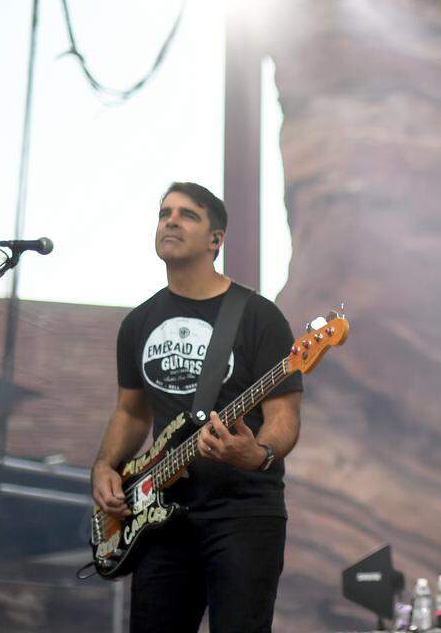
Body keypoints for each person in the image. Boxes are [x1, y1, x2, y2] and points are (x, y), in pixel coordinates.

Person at [91, 181, 303, 633]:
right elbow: (132, 412)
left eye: (187, 214)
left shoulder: (258, 316)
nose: (170, 219)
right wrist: (106, 466)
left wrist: (259, 453)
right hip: (161, 516)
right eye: (164, 212)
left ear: (215, 240)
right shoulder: (138, 322)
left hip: (242, 511)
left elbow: (284, 414)